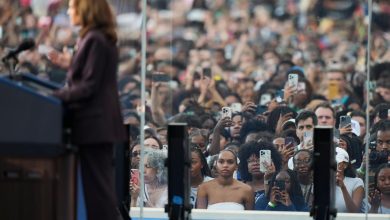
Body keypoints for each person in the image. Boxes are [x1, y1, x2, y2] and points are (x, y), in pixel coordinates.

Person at [48, 0, 126, 219]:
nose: (70, 12)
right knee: (98, 191)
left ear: (85, 9)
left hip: (95, 125)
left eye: (72, 7)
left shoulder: (94, 39)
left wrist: (54, 96)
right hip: (97, 125)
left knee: (98, 194)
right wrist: (70, 64)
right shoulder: (98, 37)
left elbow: (89, 86)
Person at [335, 147, 364, 213]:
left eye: (336, 162)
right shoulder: (320, 182)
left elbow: (354, 212)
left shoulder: (356, 182)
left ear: (345, 165)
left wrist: (343, 187)